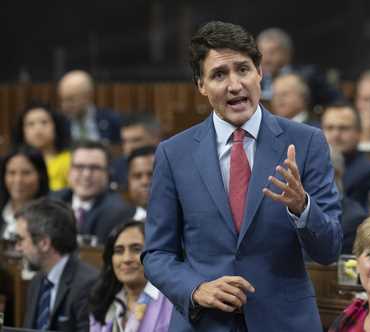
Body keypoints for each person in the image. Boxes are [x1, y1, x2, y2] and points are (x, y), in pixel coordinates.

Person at [142, 21, 342, 332]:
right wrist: (196, 289)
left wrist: (302, 207)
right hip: (205, 323)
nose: (235, 85)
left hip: (284, 323)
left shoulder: (306, 142)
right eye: (219, 75)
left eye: (243, 69)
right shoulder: (174, 153)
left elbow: (329, 250)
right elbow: (157, 253)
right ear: (201, 85)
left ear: (260, 72)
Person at [15, 198, 98, 331]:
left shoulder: (87, 284)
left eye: (21, 240)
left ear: (44, 243)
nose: (18, 248)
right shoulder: (37, 282)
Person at [89, 221, 172, 332]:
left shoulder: (172, 302)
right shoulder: (104, 299)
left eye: (136, 249)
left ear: (154, 253)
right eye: (119, 251)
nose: (127, 259)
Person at [52, 140, 133, 244]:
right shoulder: (53, 201)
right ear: (69, 171)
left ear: (108, 173)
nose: (86, 174)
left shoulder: (118, 212)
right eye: (80, 167)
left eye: (95, 168)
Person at [257, 27, 342, 109]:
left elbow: (336, 101)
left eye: (272, 53)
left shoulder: (309, 75)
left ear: (287, 53)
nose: (266, 59)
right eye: (262, 52)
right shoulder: (255, 78)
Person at [322, 103, 370, 208]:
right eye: (329, 128)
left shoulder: (368, 172)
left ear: (359, 132)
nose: (336, 135)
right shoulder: (313, 165)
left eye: (343, 128)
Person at [12, 102, 72, 191]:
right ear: (22, 131)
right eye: (31, 124)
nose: (38, 129)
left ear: (56, 126)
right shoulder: (15, 162)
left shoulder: (70, 160)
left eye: (44, 122)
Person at [57, 70, 121, 144]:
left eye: (71, 100)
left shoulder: (110, 120)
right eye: (62, 100)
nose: (65, 105)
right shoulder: (60, 125)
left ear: (88, 96)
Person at [0, 146, 49, 240]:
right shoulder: (3, 211)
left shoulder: (52, 216)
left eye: (26, 173)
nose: (18, 180)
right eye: (11, 173)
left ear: (40, 175)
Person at [111, 113, 160, 190]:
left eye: (136, 140)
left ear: (155, 139)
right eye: (124, 142)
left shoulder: (173, 165)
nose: (128, 147)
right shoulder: (116, 169)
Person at [126, 145, 156, 221]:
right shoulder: (117, 222)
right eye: (137, 176)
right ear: (128, 180)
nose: (144, 182)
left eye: (151, 174)